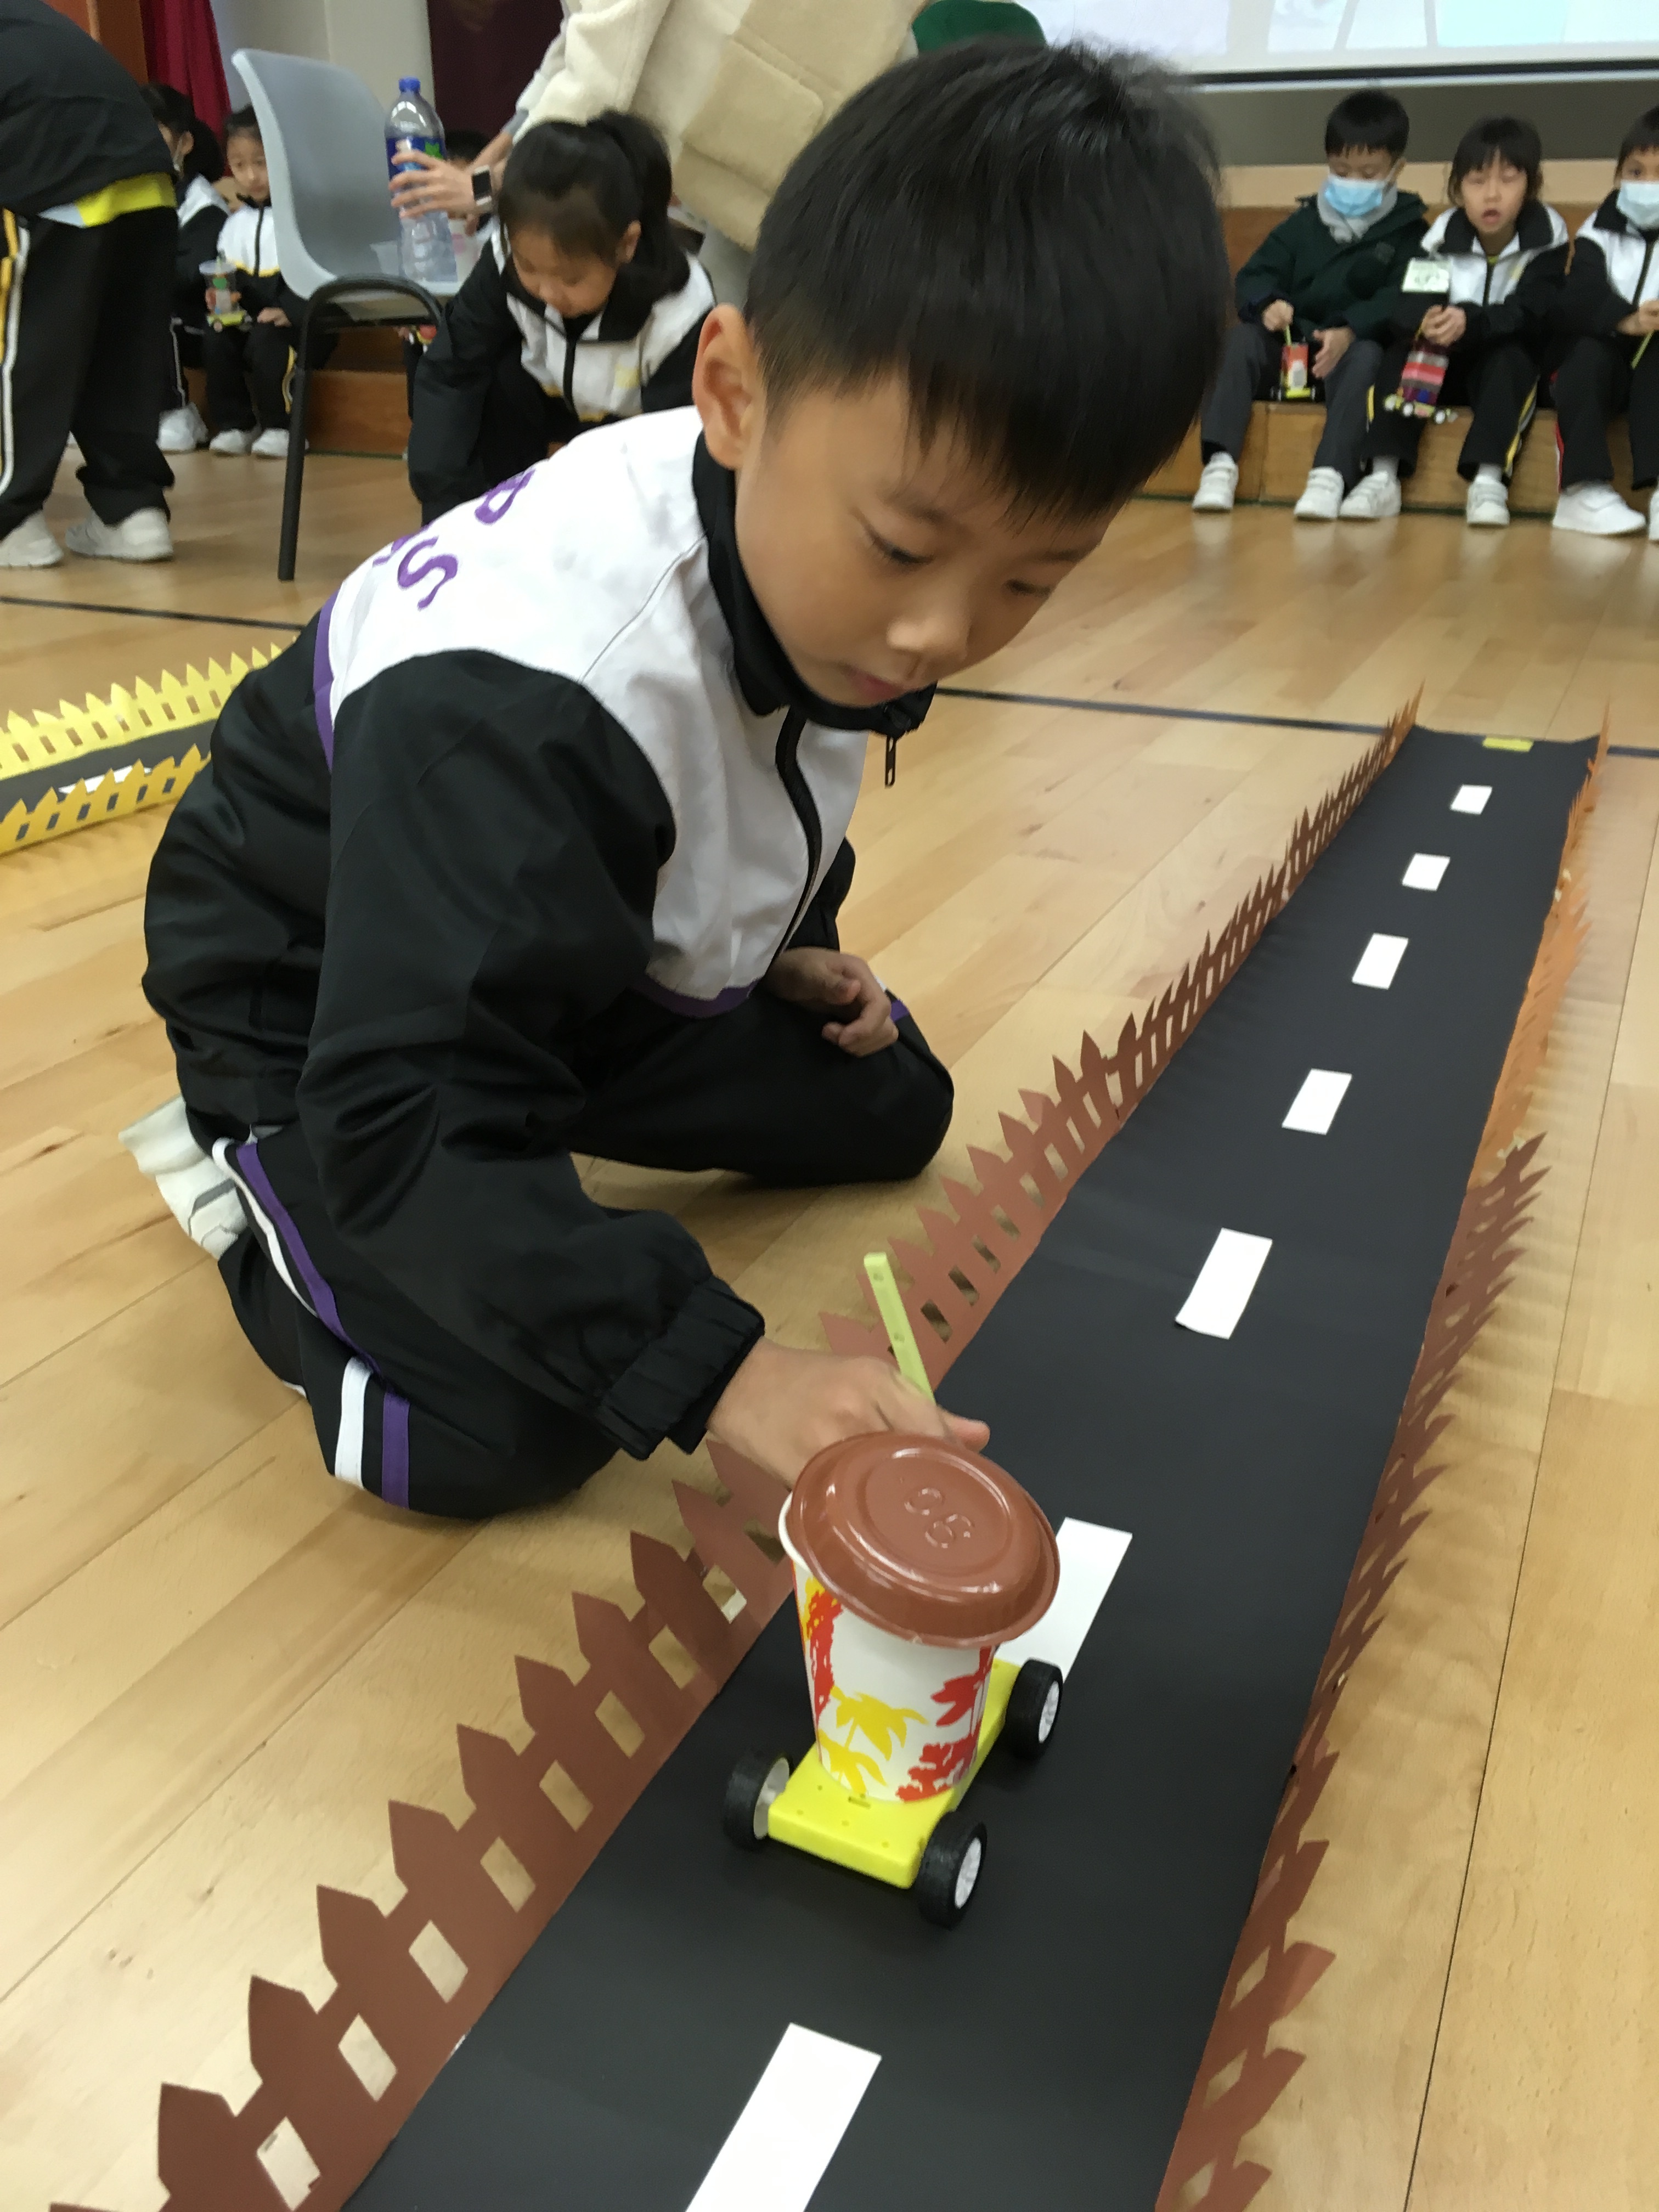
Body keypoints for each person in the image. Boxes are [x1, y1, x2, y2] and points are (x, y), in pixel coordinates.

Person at [129, 42, 1229, 1519]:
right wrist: (736, 1376)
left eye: (1030, 580)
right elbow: (410, 1107)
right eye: (905, 548)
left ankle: (528, 1119)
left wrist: (787, 943)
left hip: (542, 944)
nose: (942, 632)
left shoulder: (802, 544)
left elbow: (751, 764)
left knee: (891, 1102)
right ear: (732, 391)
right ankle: (244, 1179)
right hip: (324, 999)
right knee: (506, 1429)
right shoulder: (530, 700)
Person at [388, 0, 918, 309]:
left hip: (823, 121)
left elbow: (595, 81)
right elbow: (574, 44)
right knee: (731, 345)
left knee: (770, 348)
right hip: (766, 137)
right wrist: (494, 154)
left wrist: (485, 189)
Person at [409, 111, 714, 523]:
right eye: (529, 268)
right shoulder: (505, 263)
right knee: (490, 379)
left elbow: (677, 450)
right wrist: (443, 511)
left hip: (631, 433)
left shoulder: (679, 312)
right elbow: (450, 370)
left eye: (571, 279)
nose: (549, 294)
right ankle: (494, 523)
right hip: (546, 402)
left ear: (626, 245)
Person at [1192, 89, 1425, 523]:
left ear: (1397, 169)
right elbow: (1255, 276)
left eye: (1368, 173)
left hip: (1351, 354)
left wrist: (1350, 330)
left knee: (1367, 357)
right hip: (1291, 349)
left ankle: (1329, 476)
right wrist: (1267, 304)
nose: (1352, 183)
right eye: (1341, 171)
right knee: (1240, 341)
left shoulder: (1411, 232)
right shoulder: (1304, 223)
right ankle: (1220, 465)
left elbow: (1402, 297)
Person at [0, 0, 177, 568]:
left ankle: (10, 522)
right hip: (145, 175)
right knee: (120, 355)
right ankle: (133, 512)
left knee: (23, 351)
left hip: (52, 168)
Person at [1340, 116, 1567, 529]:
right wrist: (1425, 319)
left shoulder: (1546, 237)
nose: (1492, 194)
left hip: (1501, 363)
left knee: (1513, 358)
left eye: (1508, 180)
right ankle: (1382, 475)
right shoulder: (1441, 237)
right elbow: (1408, 305)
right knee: (1403, 351)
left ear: (1531, 186)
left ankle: (1489, 481)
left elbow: (1534, 312)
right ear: (1458, 189)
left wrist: (1470, 321)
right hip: (1445, 365)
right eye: (1477, 181)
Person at [1550, 106, 1659, 540]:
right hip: (1611, 356)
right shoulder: (1599, 228)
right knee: (1584, 357)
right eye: (1636, 172)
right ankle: (1581, 491)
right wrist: (1626, 319)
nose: (1647, 184)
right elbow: (1578, 296)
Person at [201, 108, 310, 460]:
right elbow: (227, 277)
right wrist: (223, 299)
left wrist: (292, 310)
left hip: (302, 323)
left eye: (261, 163)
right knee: (217, 332)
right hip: (255, 320)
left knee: (268, 339)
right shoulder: (235, 223)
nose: (251, 176)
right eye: (239, 165)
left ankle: (283, 428)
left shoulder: (302, 215)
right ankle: (236, 424)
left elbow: (320, 276)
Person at [142, 82, 228, 455]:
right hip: (159, 319)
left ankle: (178, 410)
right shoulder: (139, 194)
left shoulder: (203, 205)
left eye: (155, 131)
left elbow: (190, 276)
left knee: (151, 306)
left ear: (185, 143)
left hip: (200, 321)